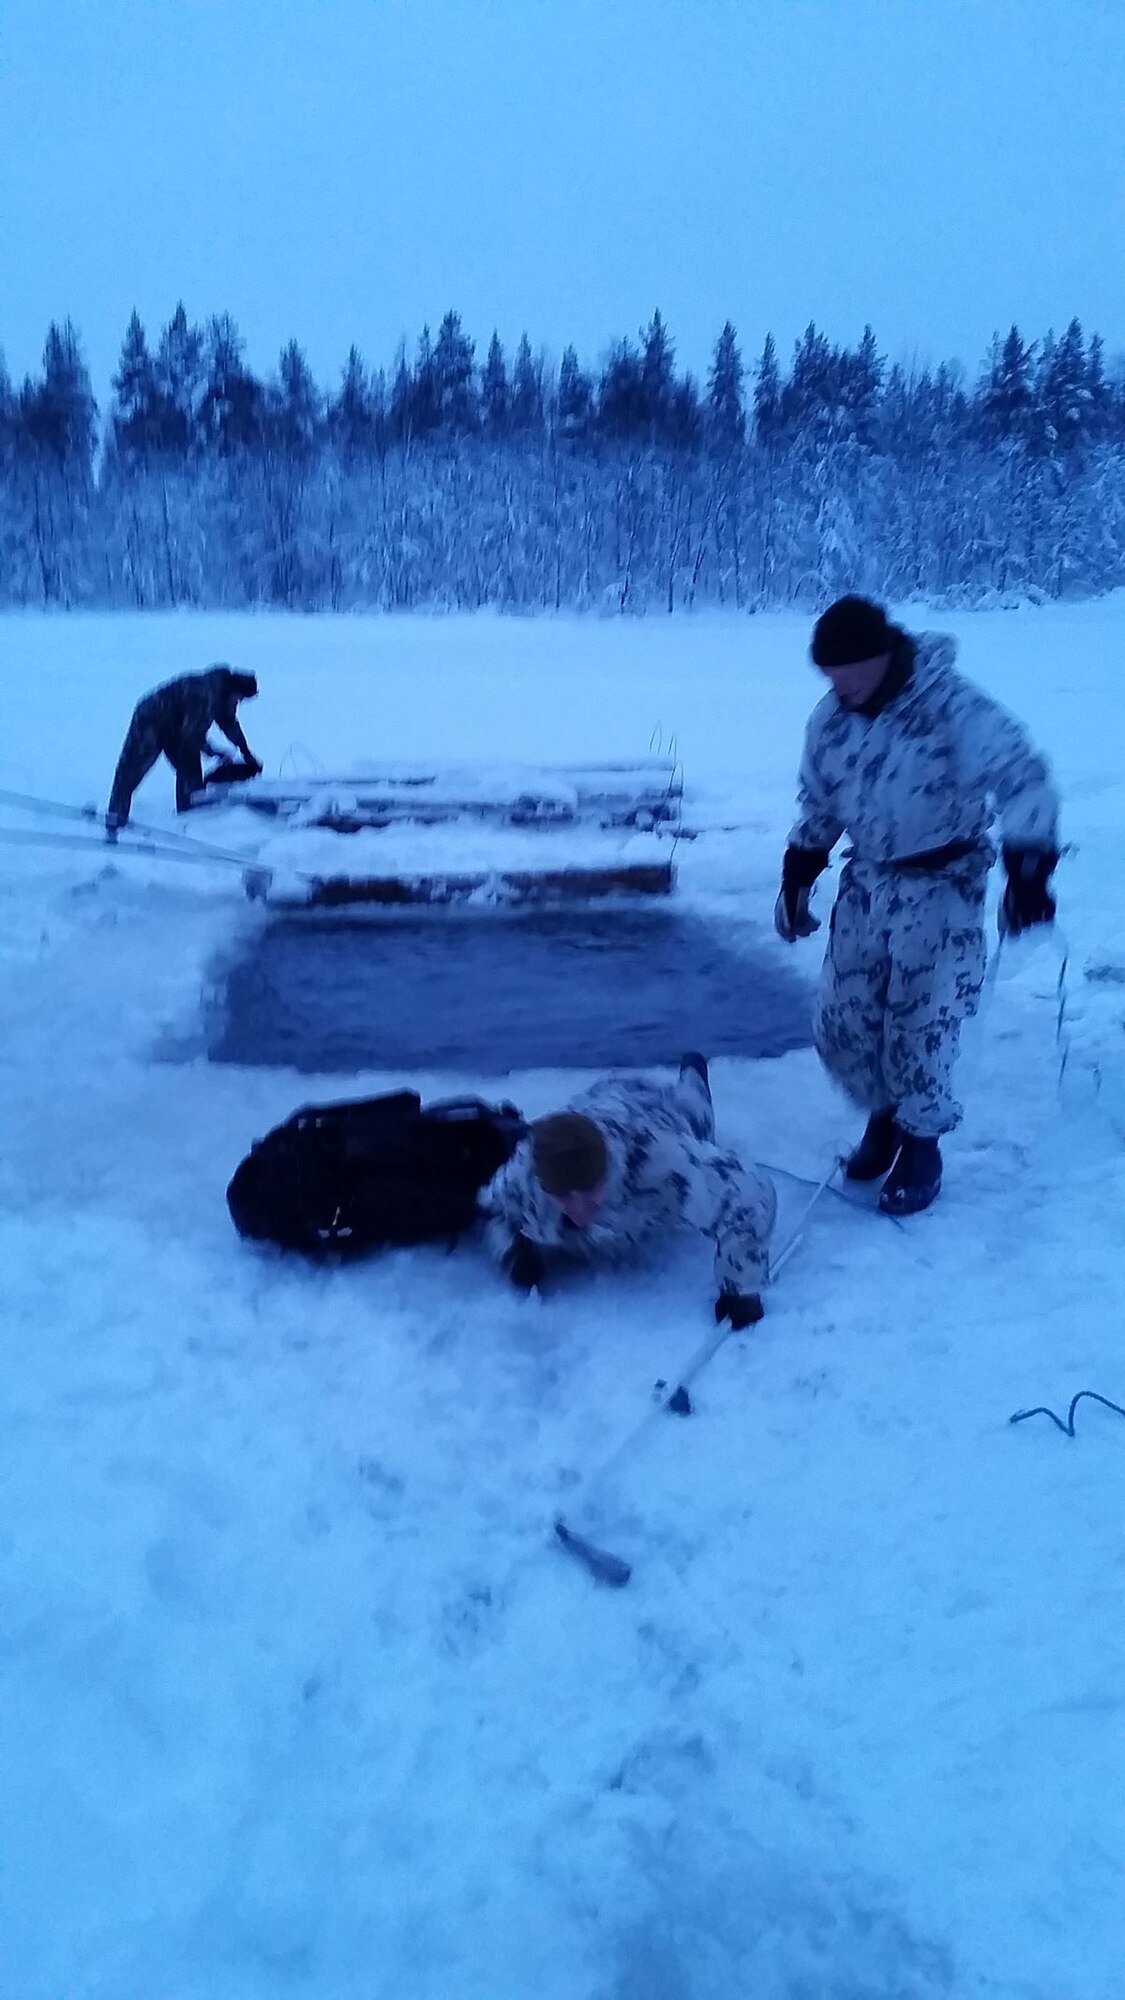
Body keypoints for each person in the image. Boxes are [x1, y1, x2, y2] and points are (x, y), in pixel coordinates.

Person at [775, 594, 1060, 1215]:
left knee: (921, 1021)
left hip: (942, 883)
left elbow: (1022, 775)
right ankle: (885, 1118)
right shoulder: (829, 721)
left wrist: (1029, 871)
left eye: (848, 671)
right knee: (845, 1022)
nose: (837, 685)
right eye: (828, 674)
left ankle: (922, 1144)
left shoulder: (949, 704)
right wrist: (797, 875)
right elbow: (819, 804)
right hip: (868, 881)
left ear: (881, 656)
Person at [480, 1055, 777, 1326]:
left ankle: (693, 1069)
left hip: (658, 1110)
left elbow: (750, 1195)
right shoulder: (522, 1175)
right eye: (563, 1195)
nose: (578, 1209)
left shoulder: (661, 1160)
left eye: (589, 1189)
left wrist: (739, 1290)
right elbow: (490, 1208)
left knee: (698, 1114)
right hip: (597, 1099)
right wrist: (512, 1253)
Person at [106, 664, 262, 834]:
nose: (238, 702)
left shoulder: (223, 696)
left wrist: (246, 751)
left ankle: (187, 818)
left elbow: (229, 724)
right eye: (239, 698)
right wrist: (213, 752)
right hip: (151, 720)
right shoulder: (204, 693)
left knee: (190, 772)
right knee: (130, 772)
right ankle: (115, 820)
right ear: (234, 690)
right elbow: (191, 735)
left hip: (176, 726)